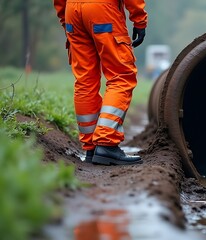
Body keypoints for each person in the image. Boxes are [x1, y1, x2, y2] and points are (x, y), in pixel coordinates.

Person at [53, 0, 147, 165]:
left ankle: (91, 146)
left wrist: (65, 17)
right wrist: (139, 19)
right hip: (102, 10)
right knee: (121, 76)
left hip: (72, 12)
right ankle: (105, 143)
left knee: (85, 81)